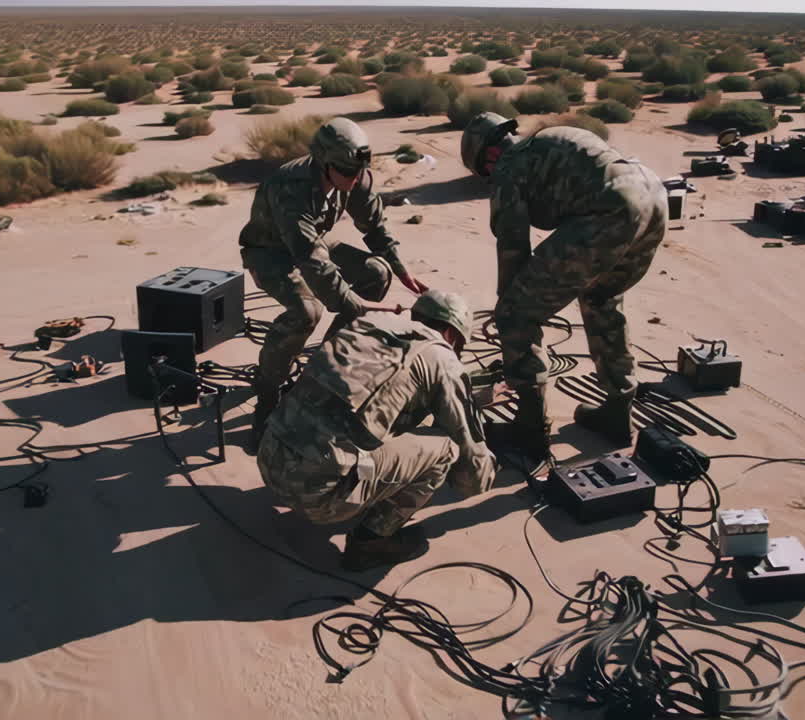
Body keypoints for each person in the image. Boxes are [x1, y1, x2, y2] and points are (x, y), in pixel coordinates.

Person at [460, 113, 668, 468]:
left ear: (489, 155)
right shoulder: (547, 140)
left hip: (611, 209)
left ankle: (530, 431)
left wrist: (508, 309)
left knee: (517, 313)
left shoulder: (508, 166)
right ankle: (618, 411)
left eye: (485, 173)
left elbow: (512, 244)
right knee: (601, 298)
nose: (490, 178)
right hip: (653, 197)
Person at [256, 290, 497, 572]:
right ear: (452, 333)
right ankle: (370, 543)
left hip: (269, 459)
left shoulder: (369, 325)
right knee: (445, 448)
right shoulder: (442, 358)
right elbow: (474, 477)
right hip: (317, 500)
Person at [239, 117, 428, 444]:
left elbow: (374, 226)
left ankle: (321, 369)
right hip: (269, 251)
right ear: (324, 163)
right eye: (347, 172)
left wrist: (402, 270)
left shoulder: (355, 175)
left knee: (376, 273)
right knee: (306, 313)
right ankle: (267, 398)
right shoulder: (291, 188)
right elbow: (311, 260)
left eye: (358, 171)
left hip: (312, 242)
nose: (355, 179)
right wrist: (356, 305)